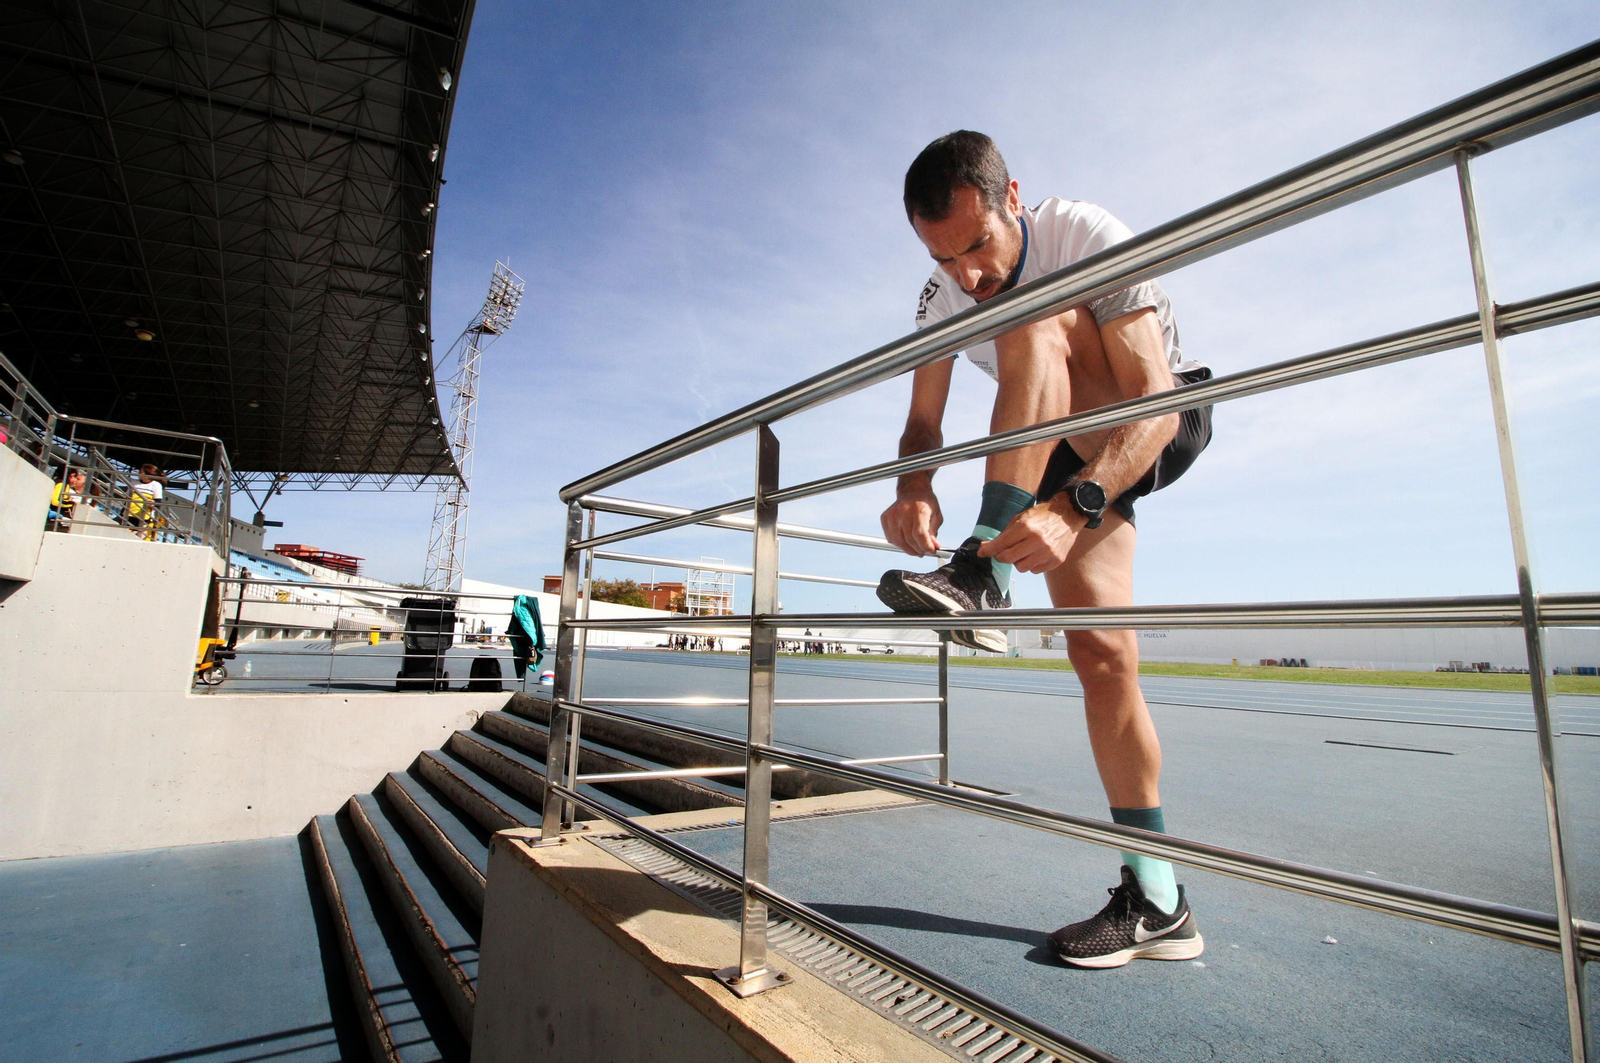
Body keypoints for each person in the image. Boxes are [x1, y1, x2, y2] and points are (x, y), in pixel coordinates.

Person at [876, 131, 1212, 969]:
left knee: (1031, 310)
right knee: (1102, 659)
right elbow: (924, 421)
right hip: (1054, 441)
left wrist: (1078, 503)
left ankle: (981, 566)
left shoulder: (1084, 232)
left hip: (1148, 411)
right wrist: (913, 485)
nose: (968, 278)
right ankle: (1161, 898)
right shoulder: (940, 292)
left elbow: (1156, 406)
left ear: (1013, 197)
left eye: (978, 246)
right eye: (943, 258)